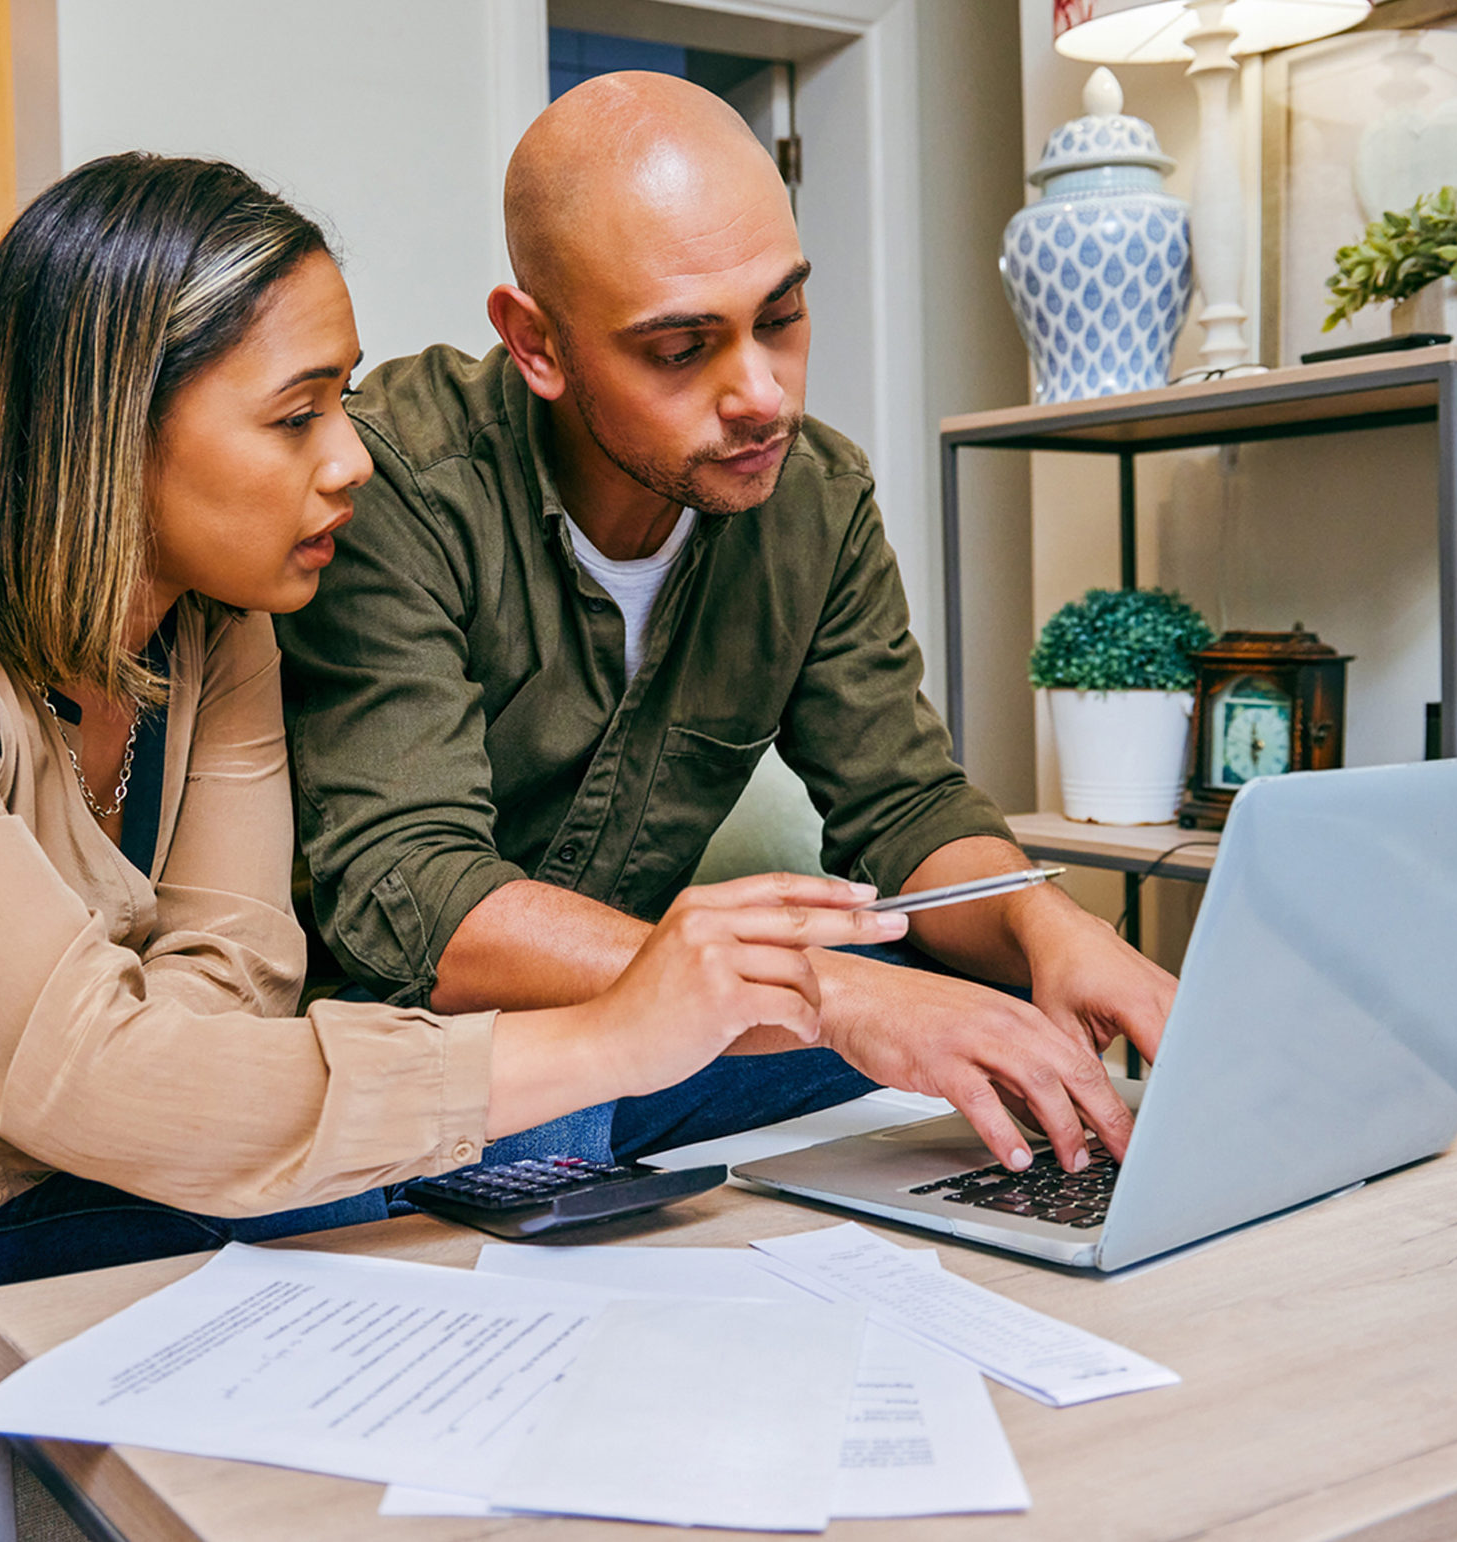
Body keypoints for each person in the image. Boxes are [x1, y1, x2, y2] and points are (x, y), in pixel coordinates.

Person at [0, 152, 904, 1542]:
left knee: (448, 1196)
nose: (350, 461)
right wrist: (617, 1033)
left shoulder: (218, 633)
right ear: (110, 429)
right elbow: (98, 1067)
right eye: (296, 417)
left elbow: (225, 992)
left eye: (343, 401)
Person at [276, 73, 1179, 1180]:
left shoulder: (816, 497)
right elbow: (414, 891)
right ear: (537, 343)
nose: (763, 395)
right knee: (648, 1100)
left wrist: (1046, 922)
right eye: (680, 348)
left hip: (669, 1045)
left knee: (1000, 1019)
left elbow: (902, 804)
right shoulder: (395, 481)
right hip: (430, 1055)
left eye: (783, 316)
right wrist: (830, 990)